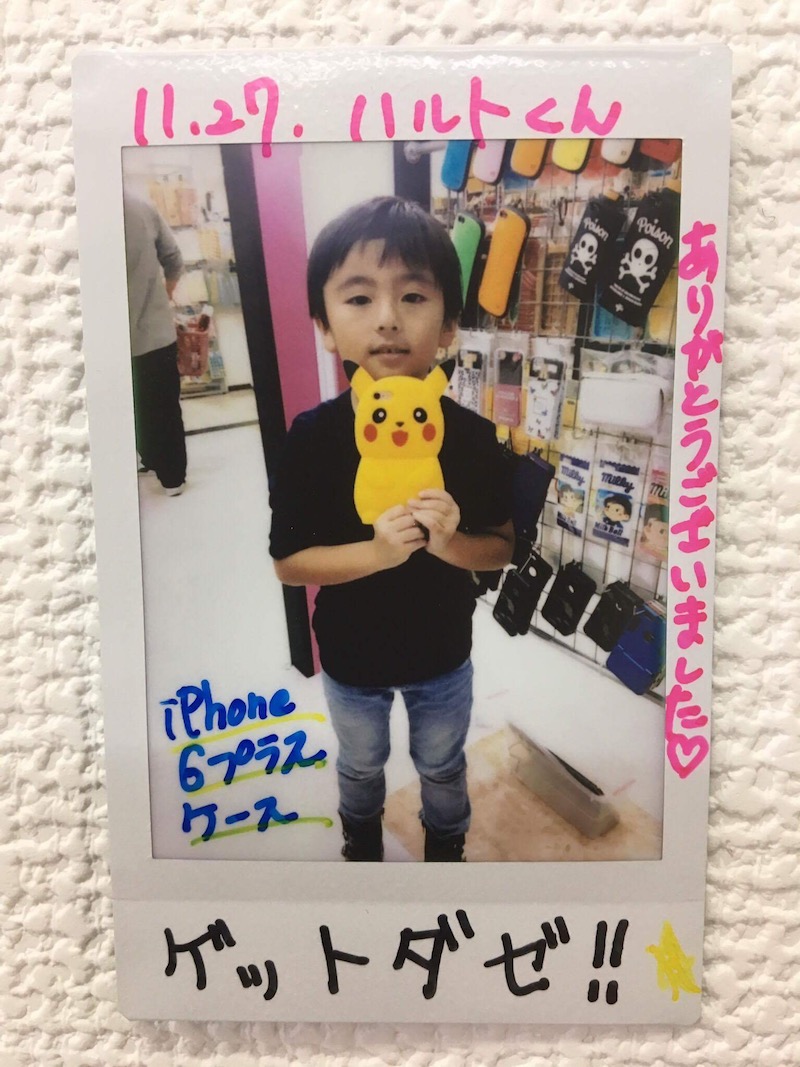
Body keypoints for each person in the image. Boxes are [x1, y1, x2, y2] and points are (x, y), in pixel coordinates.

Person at [269, 197, 514, 863]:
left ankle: (446, 845)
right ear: (325, 327)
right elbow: (289, 562)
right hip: (351, 656)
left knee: (442, 763)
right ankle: (361, 839)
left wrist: (451, 544)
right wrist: (377, 552)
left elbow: (501, 547)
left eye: (413, 296)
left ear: (450, 325)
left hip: (443, 651)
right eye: (358, 298)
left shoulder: (471, 437)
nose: (387, 318)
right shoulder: (312, 438)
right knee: (360, 762)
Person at [123, 192, 187, 496]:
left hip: (113, 341)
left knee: (133, 407)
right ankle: (173, 478)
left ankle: (148, 457)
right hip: (155, 330)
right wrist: (166, 292)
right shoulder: (140, 206)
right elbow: (173, 258)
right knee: (164, 405)